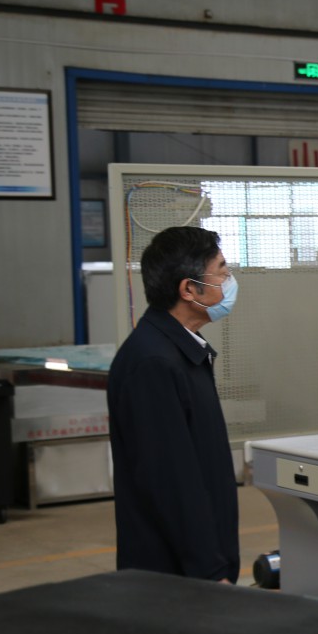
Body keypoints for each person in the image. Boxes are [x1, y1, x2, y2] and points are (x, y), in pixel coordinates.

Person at [107, 226, 240, 583]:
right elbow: (170, 482)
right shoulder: (153, 363)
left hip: (195, 568)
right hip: (173, 578)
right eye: (222, 272)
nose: (229, 281)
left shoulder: (182, 351)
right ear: (189, 289)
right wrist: (210, 571)